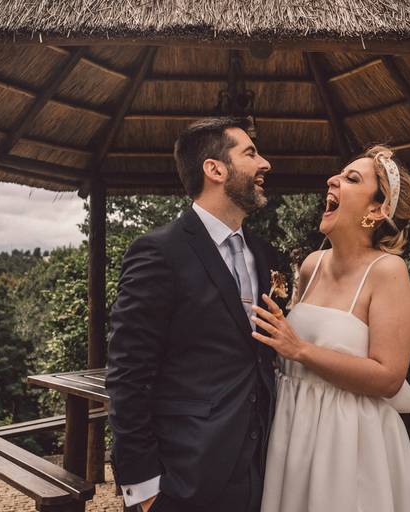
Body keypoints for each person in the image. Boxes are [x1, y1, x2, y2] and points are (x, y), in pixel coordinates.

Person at [106, 117, 282, 512]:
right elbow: (128, 373)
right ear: (215, 169)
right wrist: (143, 488)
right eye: (251, 153)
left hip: (259, 473)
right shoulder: (158, 252)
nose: (265, 164)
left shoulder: (266, 254)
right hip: (182, 476)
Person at [253, 145, 410, 512]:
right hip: (292, 427)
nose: (332, 180)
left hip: (351, 441)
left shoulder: (388, 272)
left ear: (377, 210)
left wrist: (300, 350)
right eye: (340, 174)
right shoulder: (311, 265)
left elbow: (389, 378)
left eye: (351, 179)